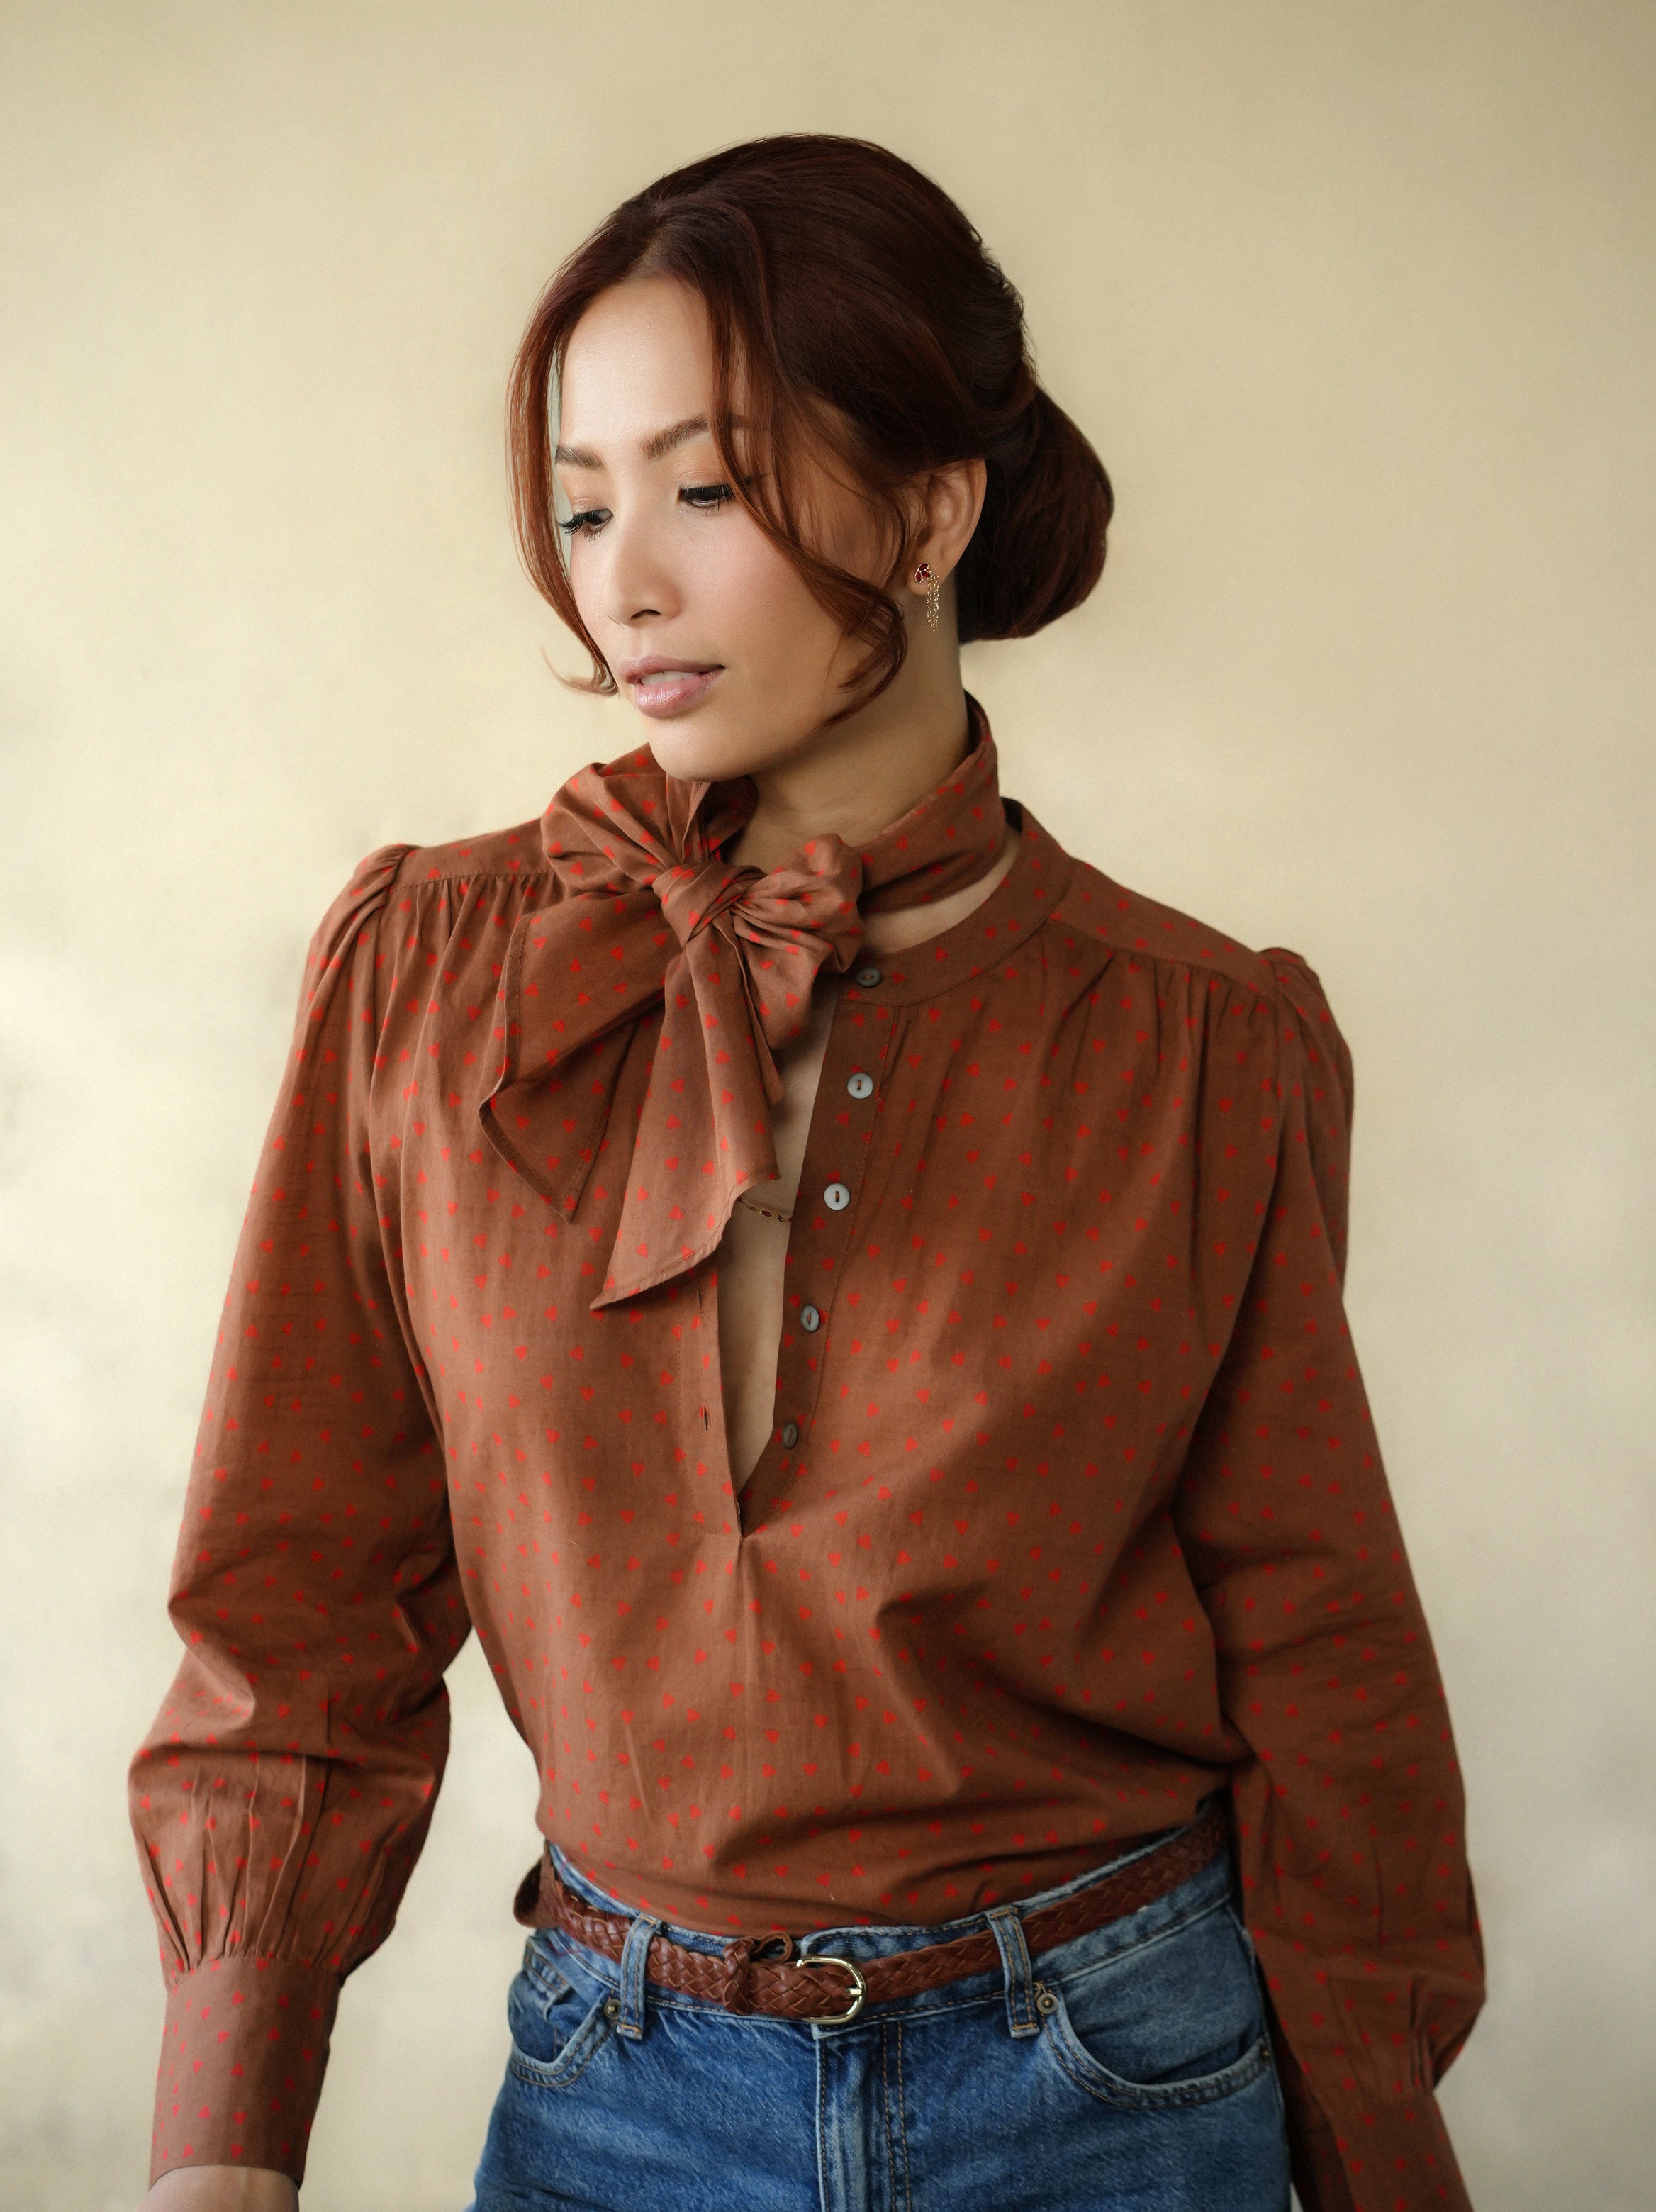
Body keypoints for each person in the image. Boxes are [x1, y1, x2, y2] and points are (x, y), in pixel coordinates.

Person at [130, 133, 1484, 2212]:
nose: (624, 584)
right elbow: (296, 1598)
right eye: (585, 504)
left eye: (706, 488)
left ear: (928, 513)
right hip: (615, 2088)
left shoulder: (1206, 1041)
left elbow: (1320, 1640)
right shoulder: (432, 976)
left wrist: (1380, 2147)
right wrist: (225, 2136)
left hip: (1117, 2085)